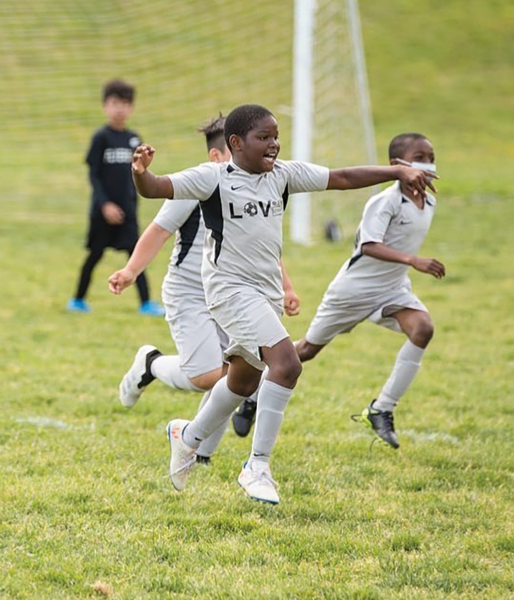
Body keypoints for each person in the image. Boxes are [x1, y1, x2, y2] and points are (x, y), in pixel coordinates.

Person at [131, 104, 437, 504]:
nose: (274, 144)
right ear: (235, 143)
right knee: (287, 364)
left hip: (265, 292)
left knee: (243, 381)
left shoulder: (283, 175)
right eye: (264, 137)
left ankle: (186, 436)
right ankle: (257, 465)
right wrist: (140, 173)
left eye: (276, 136)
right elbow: (155, 188)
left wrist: (396, 171)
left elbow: (342, 177)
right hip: (228, 289)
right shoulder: (213, 178)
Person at [109, 114, 300, 463]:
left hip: (238, 293)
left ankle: (200, 452)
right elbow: (158, 231)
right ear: (218, 155)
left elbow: (263, 247)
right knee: (207, 376)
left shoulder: (259, 183)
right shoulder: (198, 183)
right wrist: (131, 270)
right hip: (190, 292)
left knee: (239, 370)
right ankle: (152, 364)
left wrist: (286, 287)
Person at [295, 133, 442, 449]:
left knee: (423, 329)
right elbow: (369, 245)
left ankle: (381, 409)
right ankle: (249, 389)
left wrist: (406, 267)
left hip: (392, 289)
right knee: (304, 352)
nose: (427, 163)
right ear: (397, 165)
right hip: (353, 291)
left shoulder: (429, 199)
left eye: (431, 157)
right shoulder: (384, 201)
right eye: (420, 156)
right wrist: (413, 260)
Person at [67, 79, 163, 316]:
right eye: (114, 103)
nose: (119, 108)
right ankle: (78, 300)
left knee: (136, 255)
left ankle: (146, 304)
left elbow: (140, 174)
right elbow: (94, 175)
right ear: (105, 106)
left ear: (131, 108)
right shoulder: (101, 138)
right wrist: (105, 205)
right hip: (102, 211)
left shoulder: (134, 138)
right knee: (95, 254)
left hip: (127, 212)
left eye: (124, 104)